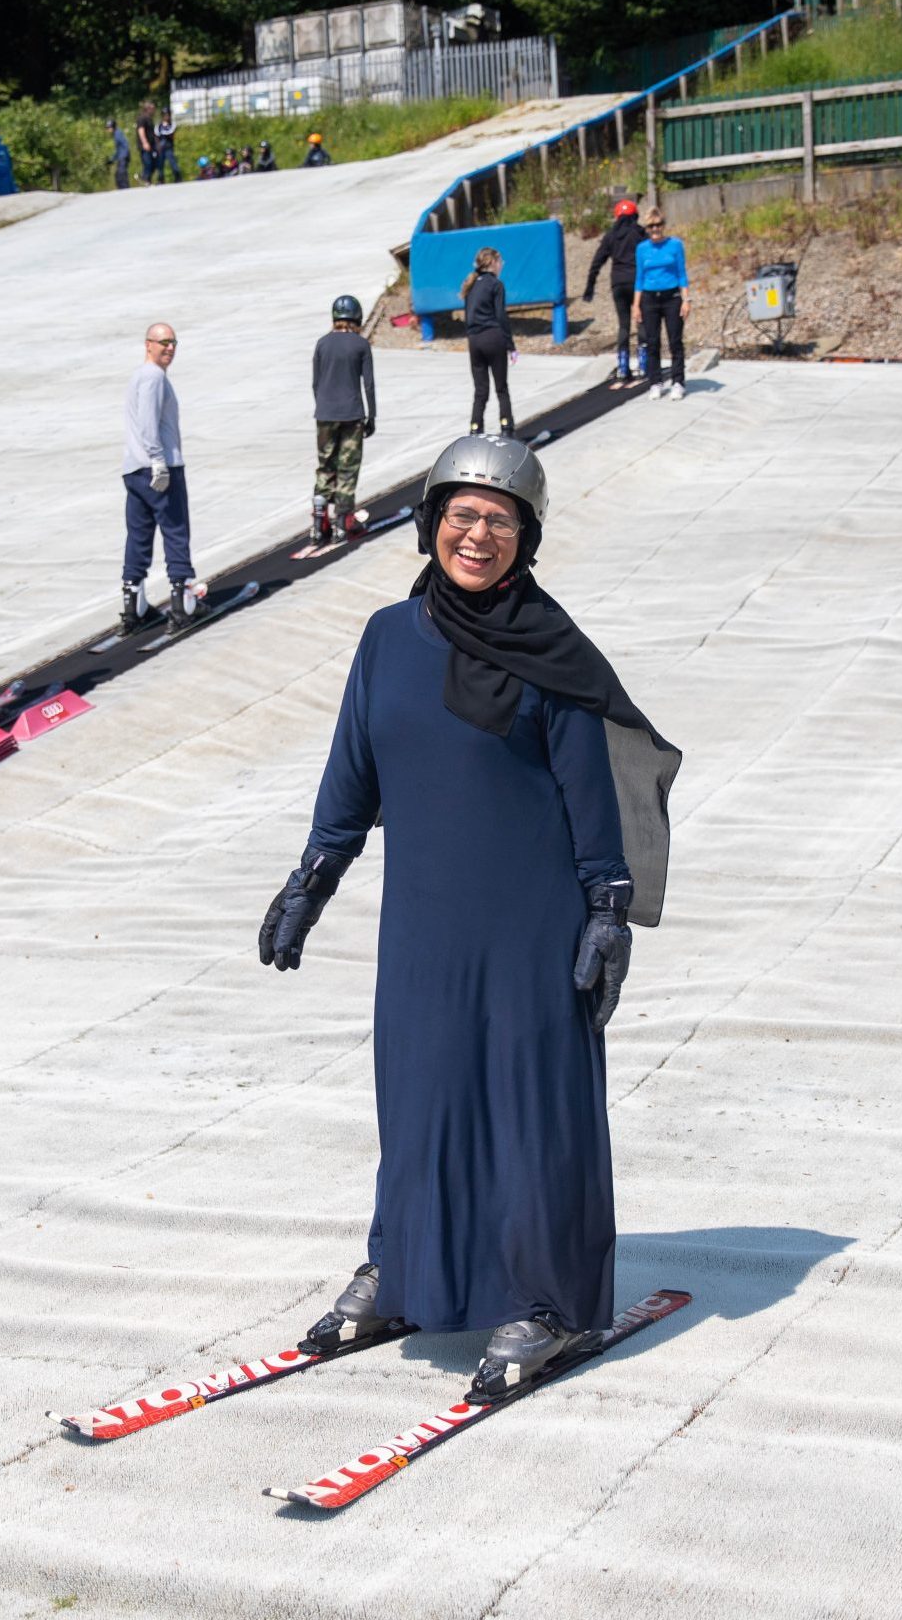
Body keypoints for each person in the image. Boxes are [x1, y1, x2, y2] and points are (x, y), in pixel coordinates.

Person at [259, 433, 683, 1401]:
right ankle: (408, 1269)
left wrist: (607, 911)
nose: (476, 534)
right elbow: (350, 776)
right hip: (422, 921)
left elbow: (592, 796)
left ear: (525, 536)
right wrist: (308, 882)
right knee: (421, 1100)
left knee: (535, 1113)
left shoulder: (552, 653)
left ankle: (550, 1300)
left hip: (531, 921)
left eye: (498, 519)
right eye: (461, 514)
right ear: (430, 523)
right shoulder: (385, 639)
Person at [121, 322, 204, 632]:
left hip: (133, 468)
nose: (169, 348)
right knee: (175, 530)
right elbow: (147, 422)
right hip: (160, 467)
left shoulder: (138, 376)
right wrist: (158, 460)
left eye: (173, 343)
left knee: (138, 535)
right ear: (148, 345)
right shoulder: (154, 377)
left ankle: (134, 602)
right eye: (163, 342)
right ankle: (182, 600)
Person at [311, 293, 379, 546]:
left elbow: (316, 383)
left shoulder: (322, 343)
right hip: (351, 414)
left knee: (325, 466)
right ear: (357, 317)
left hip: (325, 415)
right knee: (347, 469)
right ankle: (342, 522)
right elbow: (369, 385)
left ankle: (319, 523)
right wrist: (372, 415)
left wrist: (323, 406)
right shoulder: (361, 345)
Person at [583, 198, 648, 382]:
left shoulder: (611, 235)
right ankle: (643, 365)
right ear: (635, 216)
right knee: (641, 321)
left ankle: (622, 366)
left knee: (624, 325)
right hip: (637, 283)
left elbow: (597, 261)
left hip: (618, 283)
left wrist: (590, 286)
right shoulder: (640, 233)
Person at [632, 207, 691, 399]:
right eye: (651, 226)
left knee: (675, 341)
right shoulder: (642, 249)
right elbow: (639, 278)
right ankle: (655, 382)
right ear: (647, 228)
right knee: (652, 342)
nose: (655, 229)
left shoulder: (675, 245)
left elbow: (682, 274)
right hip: (649, 298)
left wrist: (686, 300)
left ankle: (678, 382)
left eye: (658, 225)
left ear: (663, 226)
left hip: (672, 297)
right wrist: (636, 305)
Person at [462, 247, 515, 436]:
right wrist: (511, 345)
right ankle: (506, 427)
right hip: (493, 337)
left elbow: (468, 317)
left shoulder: (470, 284)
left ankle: (475, 429)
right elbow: (501, 316)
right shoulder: (496, 284)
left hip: (474, 341)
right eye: (500, 262)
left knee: (480, 390)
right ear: (492, 263)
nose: (501, 266)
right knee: (501, 387)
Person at [153, 109, 181, 182]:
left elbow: (170, 133)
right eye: (165, 115)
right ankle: (161, 179)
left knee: (173, 162)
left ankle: (177, 177)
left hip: (169, 147)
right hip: (161, 148)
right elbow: (156, 135)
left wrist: (164, 131)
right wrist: (157, 146)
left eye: (168, 115)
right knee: (160, 164)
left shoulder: (172, 124)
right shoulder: (158, 125)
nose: (167, 117)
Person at [134, 104, 159, 185]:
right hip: (145, 145)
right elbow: (141, 131)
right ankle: (145, 179)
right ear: (148, 109)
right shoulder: (142, 118)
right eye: (153, 109)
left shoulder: (149, 119)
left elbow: (152, 132)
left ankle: (145, 178)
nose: (154, 111)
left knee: (154, 162)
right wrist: (145, 143)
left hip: (151, 145)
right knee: (147, 162)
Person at [108, 118, 132, 190]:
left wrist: (125, 155)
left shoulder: (118, 133)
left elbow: (125, 145)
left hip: (123, 157)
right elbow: (118, 150)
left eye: (109, 127)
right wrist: (112, 159)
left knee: (121, 173)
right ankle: (122, 188)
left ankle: (125, 188)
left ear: (113, 127)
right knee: (118, 174)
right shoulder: (116, 134)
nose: (108, 130)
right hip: (122, 156)